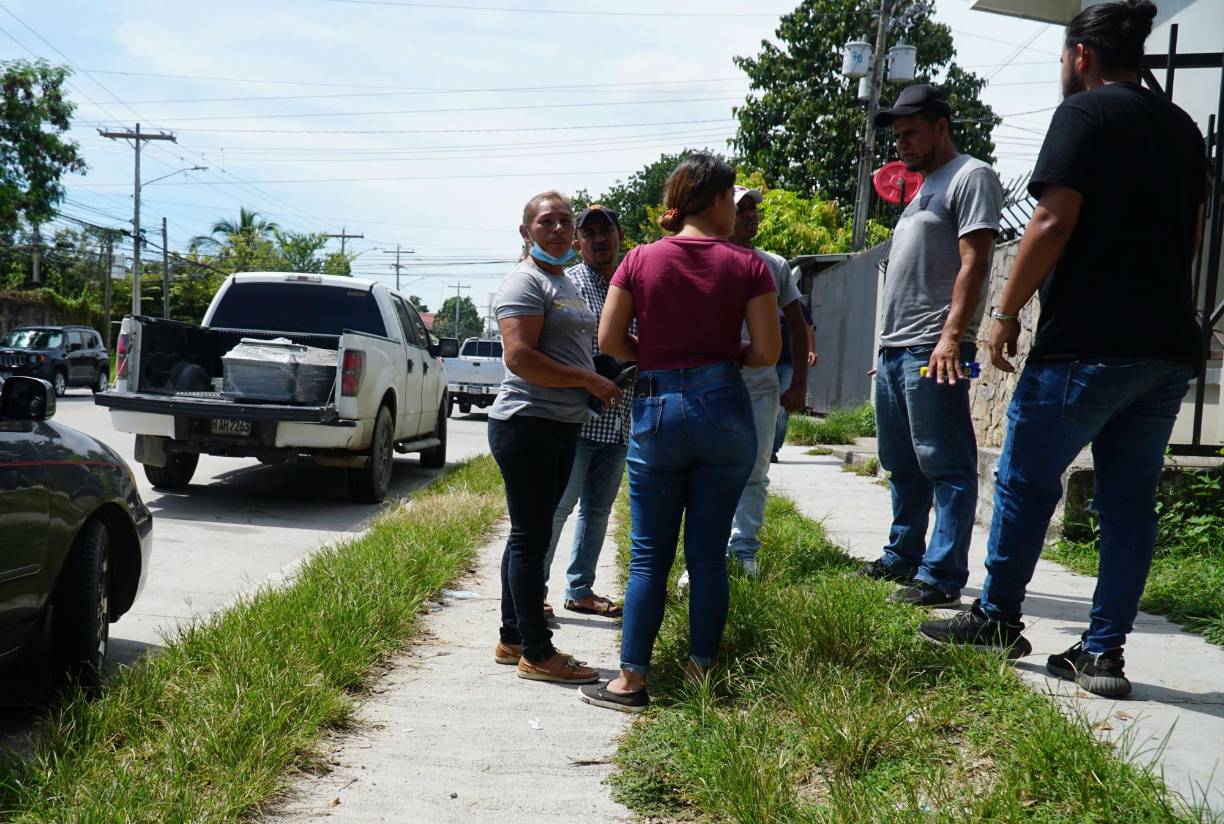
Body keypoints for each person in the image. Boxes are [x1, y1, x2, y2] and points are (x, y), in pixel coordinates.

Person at [920, 0, 1205, 699]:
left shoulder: (1083, 114)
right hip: (1167, 346)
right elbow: (1194, 232)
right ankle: (1103, 655)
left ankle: (996, 617)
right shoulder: (1184, 129)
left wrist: (1004, 311)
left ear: (1080, 57)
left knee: (1024, 481)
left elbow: (1049, 219)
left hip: (1087, 342)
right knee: (1131, 503)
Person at [578, 154, 781, 713]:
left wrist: (661, 358)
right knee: (709, 554)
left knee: (648, 558)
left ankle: (631, 681)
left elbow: (611, 340)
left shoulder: (639, 260)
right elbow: (766, 353)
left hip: (658, 406)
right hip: (724, 409)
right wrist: (718, 360)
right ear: (715, 200)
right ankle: (699, 672)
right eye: (730, 198)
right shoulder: (750, 265)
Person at [859, 83, 1003, 609]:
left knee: (946, 463)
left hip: (933, 348)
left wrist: (949, 337)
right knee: (901, 462)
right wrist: (884, 351)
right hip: (897, 349)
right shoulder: (920, 189)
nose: (902, 144)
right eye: (897, 135)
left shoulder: (971, 175)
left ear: (942, 125)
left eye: (911, 132)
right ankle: (903, 556)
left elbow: (976, 262)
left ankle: (941, 574)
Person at [488, 190, 621, 685]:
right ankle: (538, 653)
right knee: (531, 536)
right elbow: (519, 357)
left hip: (562, 424)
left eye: (567, 221)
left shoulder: (561, 280)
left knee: (530, 531)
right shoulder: (525, 282)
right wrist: (588, 381)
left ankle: (513, 637)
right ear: (526, 232)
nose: (561, 229)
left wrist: (599, 369)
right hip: (528, 423)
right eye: (548, 222)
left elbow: (573, 348)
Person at [541, 204, 632, 618]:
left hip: (619, 424)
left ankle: (580, 590)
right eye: (589, 232)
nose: (598, 238)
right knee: (557, 508)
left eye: (605, 230)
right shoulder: (570, 285)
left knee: (598, 511)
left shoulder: (632, 285)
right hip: (576, 423)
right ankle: (533, 592)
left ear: (620, 236)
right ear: (578, 243)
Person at [725, 186, 809, 575]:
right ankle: (708, 552)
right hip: (715, 382)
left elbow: (797, 324)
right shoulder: (711, 259)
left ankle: (744, 550)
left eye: (753, 209)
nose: (751, 216)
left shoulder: (774, 264)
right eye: (741, 209)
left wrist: (799, 384)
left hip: (760, 385)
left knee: (756, 469)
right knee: (712, 471)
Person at [771, 295, 817, 462]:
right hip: (768, 362)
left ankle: (772, 450)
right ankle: (762, 447)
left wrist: (811, 350)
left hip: (789, 363)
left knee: (782, 409)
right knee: (767, 406)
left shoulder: (796, 305)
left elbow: (807, 329)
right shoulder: (762, 300)